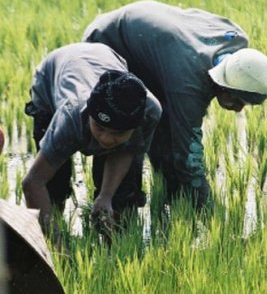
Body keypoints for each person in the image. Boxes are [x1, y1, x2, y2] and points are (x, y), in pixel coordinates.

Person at [83, 0, 267, 210]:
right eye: (238, 101)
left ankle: (171, 195)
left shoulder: (237, 41)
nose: (239, 109)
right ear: (223, 86)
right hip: (110, 40)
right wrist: (209, 209)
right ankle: (120, 206)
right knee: (126, 128)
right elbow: (188, 156)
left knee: (165, 132)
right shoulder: (188, 84)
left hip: (156, 49)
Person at [22, 42, 162, 236]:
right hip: (52, 74)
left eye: (117, 133)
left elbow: (128, 149)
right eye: (100, 127)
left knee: (123, 194)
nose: (105, 139)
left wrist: (106, 195)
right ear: (89, 113)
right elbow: (33, 182)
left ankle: (114, 243)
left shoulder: (149, 111)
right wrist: (55, 244)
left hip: (102, 56)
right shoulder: (70, 117)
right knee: (55, 186)